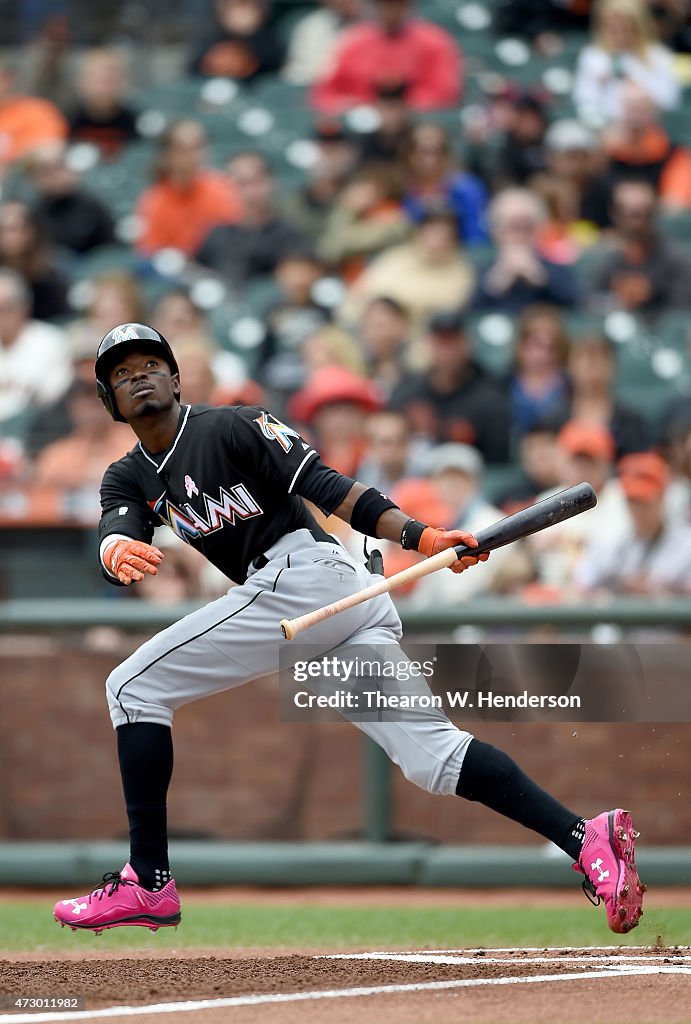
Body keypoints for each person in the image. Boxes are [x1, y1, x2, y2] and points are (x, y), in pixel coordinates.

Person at [53, 321, 644, 936]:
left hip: (307, 577)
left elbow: (326, 487)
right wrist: (115, 550)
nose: (138, 375)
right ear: (108, 400)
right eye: (121, 373)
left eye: (150, 363)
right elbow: (116, 527)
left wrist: (422, 535)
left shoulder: (232, 424)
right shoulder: (128, 475)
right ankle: (586, 838)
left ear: (176, 378)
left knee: (133, 688)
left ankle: (147, 881)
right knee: (433, 760)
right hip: (322, 603)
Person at [388, 309, 511, 463]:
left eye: (453, 342)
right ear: (429, 345)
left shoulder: (490, 399)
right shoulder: (408, 390)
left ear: (467, 344)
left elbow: (498, 461)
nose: (447, 352)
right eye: (441, 342)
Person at [340, 209, 475, 337]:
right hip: (365, 330)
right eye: (431, 231)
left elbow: (442, 314)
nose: (436, 240)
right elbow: (358, 294)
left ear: (454, 240)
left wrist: (394, 319)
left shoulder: (460, 272)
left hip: (414, 341)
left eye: (443, 234)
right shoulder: (395, 257)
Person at [311, 0, 463, 113]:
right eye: (383, 4)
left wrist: (399, 108)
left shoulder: (435, 41)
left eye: (396, 4)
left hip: (416, 124)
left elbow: (444, 93)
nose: (389, 10)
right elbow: (325, 94)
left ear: (408, 6)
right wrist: (352, 105)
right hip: (362, 124)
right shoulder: (354, 41)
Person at [574, 451, 691, 593]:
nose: (638, 510)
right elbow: (581, 584)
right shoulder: (612, 538)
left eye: (645, 500)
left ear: (661, 497)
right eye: (633, 501)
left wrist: (659, 590)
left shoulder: (685, 543)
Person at [195, 152, 308, 290]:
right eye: (239, 184)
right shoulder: (216, 235)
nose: (248, 192)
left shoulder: (290, 237)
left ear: (271, 183)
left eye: (254, 182)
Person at [136, 120, 244, 259]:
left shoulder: (223, 191)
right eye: (182, 149)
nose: (191, 156)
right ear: (167, 154)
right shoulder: (153, 200)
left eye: (197, 147)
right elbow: (150, 253)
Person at [587, 178, 691, 315]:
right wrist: (620, 301)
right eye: (628, 213)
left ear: (654, 213)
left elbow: (679, 311)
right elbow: (589, 304)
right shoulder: (604, 258)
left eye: (643, 213)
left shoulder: (676, 260)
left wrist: (649, 296)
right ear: (614, 214)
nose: (636, 223)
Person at [472, 189, 580, 314]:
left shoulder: (557, 269)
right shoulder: (480, 269)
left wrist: (541, 279)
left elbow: (575, 306)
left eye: (527, 227)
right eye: (512, 228)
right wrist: (497, 281)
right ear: (495, 232)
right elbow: (469, 313)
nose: (520, 236)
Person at [573, 0, 680, 124]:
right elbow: (583, 99)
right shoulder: (592, 56)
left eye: (626, 28)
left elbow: (670, 101)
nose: (620, 35)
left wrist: (635, 85)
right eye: (613, 28)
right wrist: (599, 83)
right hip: (605, 128)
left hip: (649, 126)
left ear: (639, 26)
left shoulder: (659, 55)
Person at [0, 268, 71, 431]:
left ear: (24, 308)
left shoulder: (50, 342)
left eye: (6, 309)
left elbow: (54, 400)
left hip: (36, 433)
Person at [400, 123, 489, 245]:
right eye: (424, 152)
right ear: (410, 156)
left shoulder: (466, 188)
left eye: (438, 151)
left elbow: (476, 238)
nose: (432, 159)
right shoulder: (401, 189)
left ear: (447, 155)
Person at [28, 142, 115, 255]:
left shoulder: (92, 205)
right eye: (46, 172)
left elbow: (110, 248)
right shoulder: (33, 213)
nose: (56, 176)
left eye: (60, 168)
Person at [506, 305, 571, 438]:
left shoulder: (572, 388)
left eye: (552, 347)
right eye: (537, 345)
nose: (544, 355)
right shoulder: (501, 387)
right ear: (520, 346)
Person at [0, 200, 70, 320]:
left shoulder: (50, 280)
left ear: (31, 231)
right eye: (3, 230)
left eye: (16, 229)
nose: (10, 237)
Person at [189, 0, 285, 81]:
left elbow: (274, 68)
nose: (239, 13)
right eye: (232, 7)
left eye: (246, 6)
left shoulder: (269, 40)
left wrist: (247, 62)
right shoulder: (211, 39)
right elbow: (193, 70)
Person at [68, 49, 138, 159]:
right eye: (98, 78)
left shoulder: (135, 124)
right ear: (82, 82)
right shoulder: (67, 123)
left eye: (111, 79)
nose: (105, 86)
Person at [283, 0, 362, 85]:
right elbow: (310, 69)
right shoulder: (313, 25)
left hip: (347, 88)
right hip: (305, 85)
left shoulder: (369, 24)